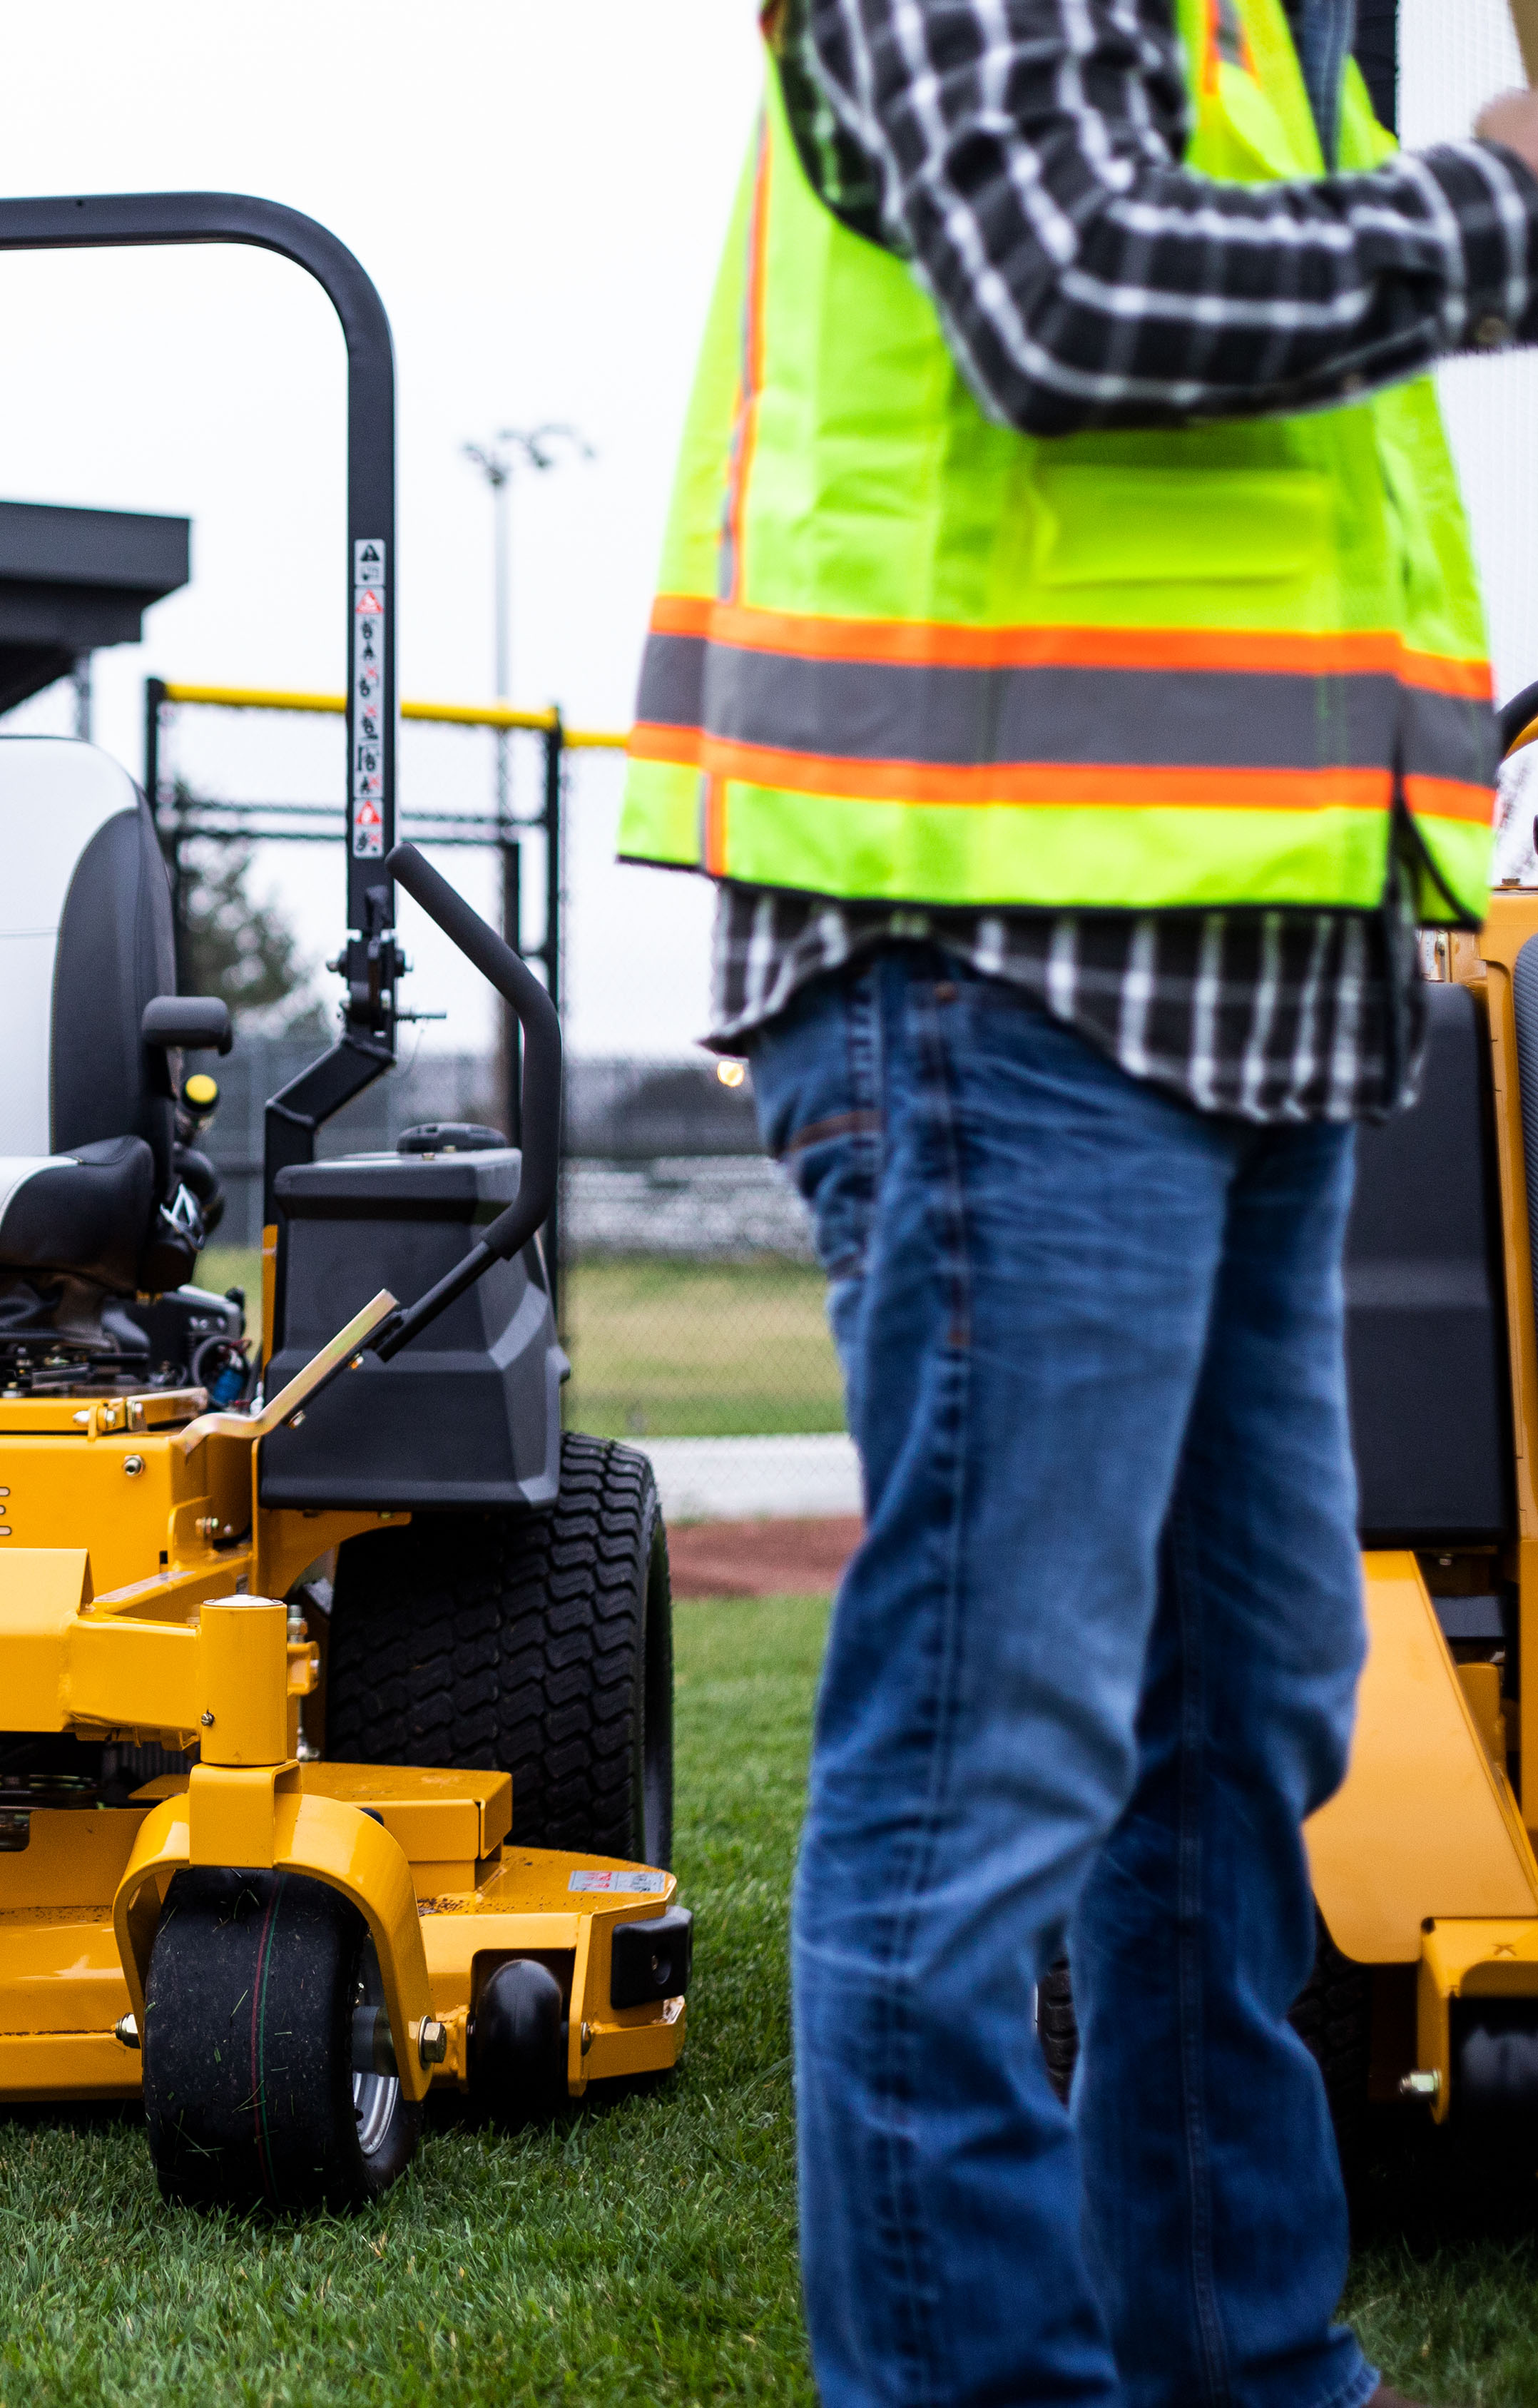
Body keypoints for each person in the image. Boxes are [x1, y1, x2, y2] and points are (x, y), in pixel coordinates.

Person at [621, 4, 1538, 2402]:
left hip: (1256, 973)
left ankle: (1245, 2368)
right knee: (986, 1757)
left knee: (1239, 1735)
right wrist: (1502, 204)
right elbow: (1064, 299)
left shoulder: (1294, 33)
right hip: (999, 961)